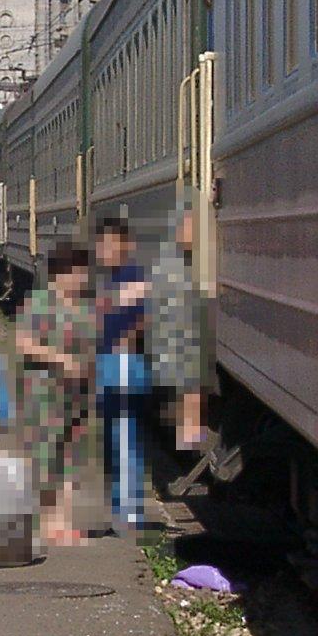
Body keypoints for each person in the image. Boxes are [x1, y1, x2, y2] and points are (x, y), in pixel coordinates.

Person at [16, 243, 100, 546]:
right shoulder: (41, 303)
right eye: (76, 272)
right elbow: (23, 343)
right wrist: (61, 358)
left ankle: (63, 521)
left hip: (77, 393)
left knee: (71, 457)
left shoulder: (86, 306)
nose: (81, 278)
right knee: (45, 457)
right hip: (44, 394)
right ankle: (43, 520)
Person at [93, 216, 152, 536]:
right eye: (101, 244)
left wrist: (126, 339)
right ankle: (121, 510)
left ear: (125, 246)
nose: (103, 250)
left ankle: (129, 513)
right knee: (114, 443)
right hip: (111, 365)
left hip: (125, 365)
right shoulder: (112, 279)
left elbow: (144, 314)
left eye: (110, 244)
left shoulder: (132, 276)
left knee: (125, 441)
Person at [149, 201, 207, 450]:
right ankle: (188, 433)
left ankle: (189, 432)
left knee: (189, 381)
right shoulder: (170, 263)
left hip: (183, 333)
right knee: (187, 380)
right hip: (176, 334)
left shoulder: (177, 262)